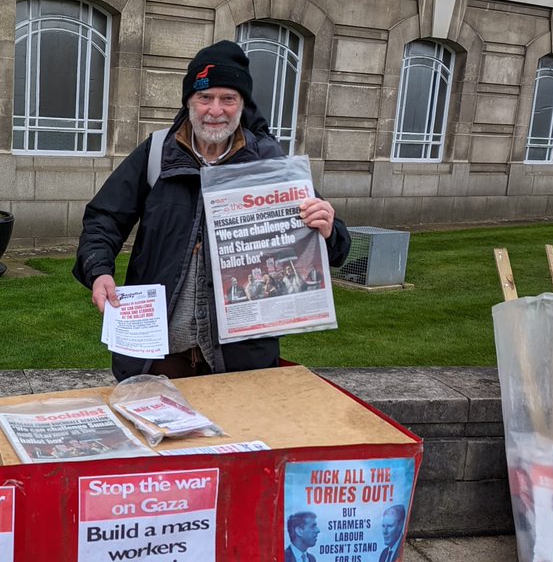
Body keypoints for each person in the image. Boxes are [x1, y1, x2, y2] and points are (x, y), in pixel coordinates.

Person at [74, 40, 350, 380]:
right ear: (189, 101)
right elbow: (104, 218)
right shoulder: (158, 151)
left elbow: (336, 247)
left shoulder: (270, 162)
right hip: (160, 355)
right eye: (204, 97)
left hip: (240, 360)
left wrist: (326, 227)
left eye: (227, 99)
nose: (215, 110)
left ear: (242, 104)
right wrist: (99, 271)